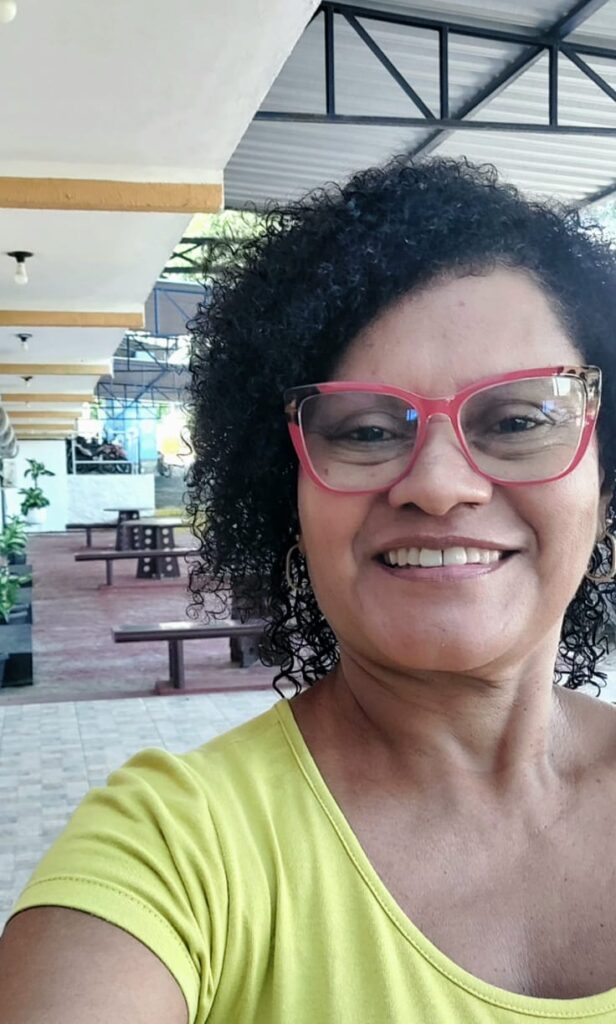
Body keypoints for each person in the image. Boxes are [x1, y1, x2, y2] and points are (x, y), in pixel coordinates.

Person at [2, 156, 616, 1023]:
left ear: (604, 483)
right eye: (365, 431)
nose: (439, 485)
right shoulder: (173, 852)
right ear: (286, 499)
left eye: (519, 420)